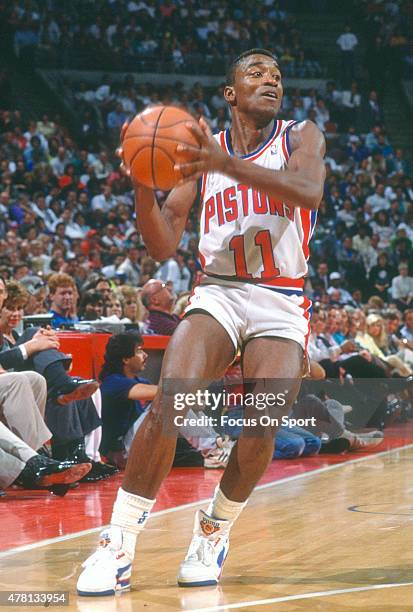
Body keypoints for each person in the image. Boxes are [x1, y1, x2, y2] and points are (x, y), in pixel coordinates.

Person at [77, 48, 326, 596]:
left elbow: (309, 191)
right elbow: (164, 240)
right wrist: (144, 182)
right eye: (256, 72)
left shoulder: (300, 135)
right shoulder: (198, 154)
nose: (271, 80)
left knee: (261, 424)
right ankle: (117, 543)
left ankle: (212, 532)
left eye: (278, 75)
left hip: (281, 300)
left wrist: (225, 165)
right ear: (230, 93)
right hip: (219, 292)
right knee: (173, 401)